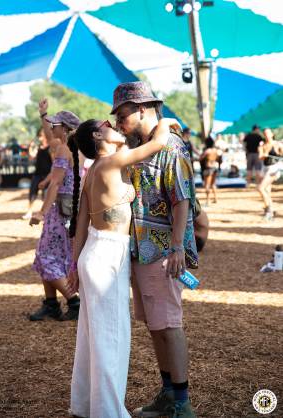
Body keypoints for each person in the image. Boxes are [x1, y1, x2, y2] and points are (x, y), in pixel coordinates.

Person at [67, 117, 180, 418]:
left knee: (93, 339)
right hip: (106, 257)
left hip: (94, 253)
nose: (113, 123)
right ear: (97, 135)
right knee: (111, 338)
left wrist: (75, 266)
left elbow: (80, 224)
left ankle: (86, 406)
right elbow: (157, 144)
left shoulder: (94, 170)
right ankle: (107, 412)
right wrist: (166, 121)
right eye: (106, 123)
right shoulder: (111, 162)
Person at [112, 81, 198, 418]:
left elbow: (182, 199)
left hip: (162, 251)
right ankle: (168, 394)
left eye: (123, 114)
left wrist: (177, 246)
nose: (118, 121)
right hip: (142, 250)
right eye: (116, 116)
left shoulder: (170, 146)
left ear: (144, 109)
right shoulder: (142, 144)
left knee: (169, 324)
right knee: (155, 324)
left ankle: (181, 403)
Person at [29, 104, 81, 321]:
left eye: (56, 124)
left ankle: (74, 302)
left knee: (46, 256)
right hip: (72, 211)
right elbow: (51, 136)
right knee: (56, 257)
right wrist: (43, 115)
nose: (52, 127)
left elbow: (57, 183)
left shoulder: (63, 149)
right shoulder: (79, 149)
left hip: (58, 211)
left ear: (65, 129)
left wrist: (41, 212)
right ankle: (51, 304)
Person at [22, 128, 53, 220]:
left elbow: (54, 162)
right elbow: (31, 157)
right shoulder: (38, 147)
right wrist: (30, 148)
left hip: (47, 175)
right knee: (32, 193)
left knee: (46, 195)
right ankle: (29, 212)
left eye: (41, 136)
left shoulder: (51, 147)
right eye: (39, 136)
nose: (39, 138)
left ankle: (46, 213)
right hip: (37, 174)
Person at [258, 128, 283, 220]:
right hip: (265, 168)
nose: (267, 135)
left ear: (272, 134)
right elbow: (260, 157)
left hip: (273, 169)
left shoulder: (277, 144)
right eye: (265, 134)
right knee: (267, 191)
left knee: (260, 188)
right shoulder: (262, 145)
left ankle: (268, 210)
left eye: (268, 133)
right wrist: (264, 153)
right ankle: (270, 212)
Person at [200, 136, 221, 206]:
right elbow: (219, 159)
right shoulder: (215, 151)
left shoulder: (207, 151)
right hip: (215, 168)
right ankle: (215, 198)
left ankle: (208, 200)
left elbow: (201, 158)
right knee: (213, 184)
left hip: (208, 168)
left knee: (207, 185)